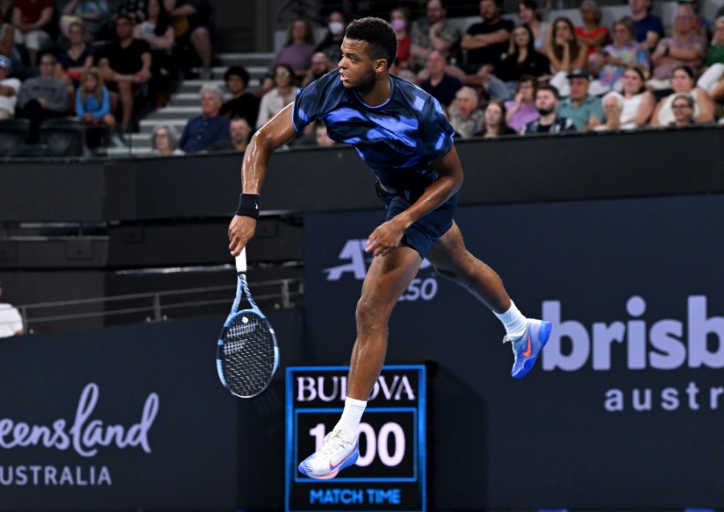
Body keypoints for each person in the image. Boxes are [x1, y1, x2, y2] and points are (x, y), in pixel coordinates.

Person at [227, 17, 552, 480]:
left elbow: (453, 176)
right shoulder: (329, 89)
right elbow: (262, 140)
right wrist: (248, 207)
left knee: (370, 308)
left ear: (380, 65)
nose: (339, 63)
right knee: (457, 264)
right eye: (340, 53)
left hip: (425, 196)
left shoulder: (420, 109)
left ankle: (345, 437)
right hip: (394, 192)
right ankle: (524, 330)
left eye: (351, 58)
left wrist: (402, 221)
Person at [96, 14, 151, 133]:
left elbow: (146, 59)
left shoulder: (141, 44)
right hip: (114, 80)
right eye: (118, 25)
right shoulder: (109, 46)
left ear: (131, 27)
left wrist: (145, 69)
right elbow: (103, 64)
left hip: (134, 82)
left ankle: (125, 125)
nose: (121, 28)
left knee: (124, 84)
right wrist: (127, 77)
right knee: (99, 73)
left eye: (125, 25)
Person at [17, 53, 70, 142]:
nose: (44, 66)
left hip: (50, 114)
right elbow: (22, 103)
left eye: (47, 64)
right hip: (30, 113)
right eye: (42, 64)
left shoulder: (60, 85)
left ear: (53, 67)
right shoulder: (29, 82)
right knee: (34, 106)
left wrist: (47, 105)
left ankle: (34, 141)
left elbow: (63, 106)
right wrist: (37, 103)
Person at [650, 4, 708, 84]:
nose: (681, 21)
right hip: (659, 79)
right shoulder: (665, 41)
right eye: (678, 18)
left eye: (685, 18)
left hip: (683, 82)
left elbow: (693, 54)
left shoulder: (699, 40)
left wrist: (667, 51)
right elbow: (656, 60)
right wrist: (687, 61)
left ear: (692, 21)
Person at [133, 0, 176, 107]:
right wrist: (157, 42)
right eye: (150, 5)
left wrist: (149, 40)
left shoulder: (167, 27)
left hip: (163, 57)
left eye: (155, 5)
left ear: (160, 8)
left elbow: (168, 45)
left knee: (160, 60)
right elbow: (137, 44)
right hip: (144, 58)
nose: (152, 8)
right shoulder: (139, 27)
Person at [593, 17, 650, 93]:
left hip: (624, 82)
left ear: (630, 32)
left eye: (622, 31)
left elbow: (645, 71)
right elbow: (596, 71)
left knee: (619, 87)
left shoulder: (639, 49)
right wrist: (598, 63)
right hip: (603, 82)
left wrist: (622, 63)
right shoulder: (608, 48)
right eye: (616, 31)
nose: (618, 34)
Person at [459, 0, 514, 75]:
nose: (485, 10)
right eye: (482, 8)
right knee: (450, 69)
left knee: (485, 69)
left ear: (498, 8)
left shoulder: (506, 24)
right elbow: (464, 43)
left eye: (489, 6)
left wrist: (477, 37)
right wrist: (490, 41)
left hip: (495, 65)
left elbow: (500, 37)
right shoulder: (474, 27)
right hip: (471, 66)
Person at [650, 64, 715, 126]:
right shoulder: (663, 101)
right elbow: (653, 125)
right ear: (671, 82)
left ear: (692, 80)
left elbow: (708, 117)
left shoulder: (699, 93)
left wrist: (685, 125)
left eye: (683, 77)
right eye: (675, 78)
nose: (678, 81)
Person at [409, 0, 462, 73]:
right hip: (419, 68)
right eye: (429, 10)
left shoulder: (452, 29)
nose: (432, 13)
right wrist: (434, 54)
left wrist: (432, 32)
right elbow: (412, 49)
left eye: (435, 10)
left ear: (443, 11)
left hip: (442, 69)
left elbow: (440, 46)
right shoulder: (419, 28)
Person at [179, 83, 229, 153]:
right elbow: (181, 145)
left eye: (210, 99)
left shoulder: (224, 122)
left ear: (219, 103)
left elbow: (223, 145)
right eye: (203, 99)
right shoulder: (193, 122)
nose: (205, 102)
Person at [12, 0, 54, 67]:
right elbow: (15, 18)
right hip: (23, 29)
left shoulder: (47, 1)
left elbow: (46, 18)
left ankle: (33, 66)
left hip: (40, 31)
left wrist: (33, 26)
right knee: (14, 33)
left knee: (32, 36)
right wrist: (20, 25)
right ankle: (18, 63)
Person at [255, 63, 297, 129]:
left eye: (285, 74)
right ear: (274, 78)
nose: (281, 77)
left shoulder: (300, 94)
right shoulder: (267, 97)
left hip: (298, 131)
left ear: (291, 77)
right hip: (274, 134)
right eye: (278, 74)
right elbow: (261, 124)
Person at [220, 65, 260, 130]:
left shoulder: (251, 101)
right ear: (227, 82)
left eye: (238, 80)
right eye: (231, 80)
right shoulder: (225, 107)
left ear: (244, 82)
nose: (234, 83)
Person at [618, 65, 655, 129]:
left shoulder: (646, 96)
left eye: (634, 78)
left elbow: (641, 119)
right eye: (626, 77)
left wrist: (621, 124)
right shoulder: (617, 98)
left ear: (642, 82)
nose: (629, 81)